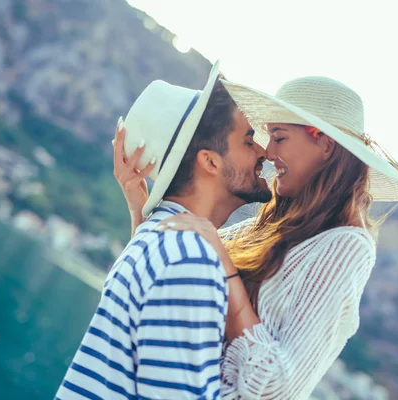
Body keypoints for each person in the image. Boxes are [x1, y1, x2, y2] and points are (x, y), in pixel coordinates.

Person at [115, 74, 398, 399]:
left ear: (324, 144)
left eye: (279, 137)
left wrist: (226, 267)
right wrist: (138, 207)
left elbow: (275, 386)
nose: (267, 152)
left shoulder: (348, 246)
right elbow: (173, 282)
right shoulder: (273, 227)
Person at [55, 62, 272, 399]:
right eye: (248, 141)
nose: (263, 150)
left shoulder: (153, 235)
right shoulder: (193, 262)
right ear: (210, 162)